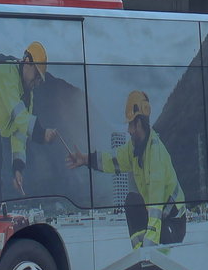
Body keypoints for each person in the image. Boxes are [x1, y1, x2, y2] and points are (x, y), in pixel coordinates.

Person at [67, 90, 187, 249]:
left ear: (139, 123)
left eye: (130, 124)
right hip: (158, 216)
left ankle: (149, 257)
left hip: (173, 222)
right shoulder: (134, 148)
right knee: (132, 201)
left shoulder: (155, 154)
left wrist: (149, 250)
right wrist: (85, 159)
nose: (128, 130)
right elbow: (113, 160)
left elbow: (156, 207)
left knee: (156, 241)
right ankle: (138, 251)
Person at [0, 41, 57, 204]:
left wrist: (18, 169)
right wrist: (42, 134)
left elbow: (19, 132)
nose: (37, 83)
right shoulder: (7, 73)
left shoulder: (28, 95)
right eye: (37, 76)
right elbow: (20, 116)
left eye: (40, 80)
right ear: (27, 62)